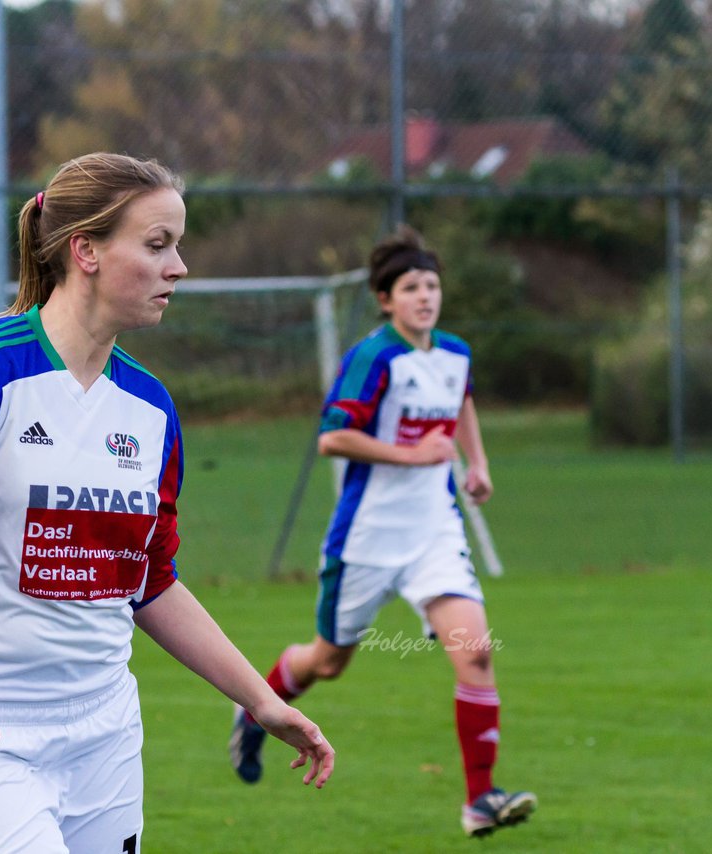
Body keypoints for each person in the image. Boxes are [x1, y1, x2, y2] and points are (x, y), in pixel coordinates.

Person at [0, 152, 335, 854]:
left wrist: (258, 700)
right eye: (158, 244)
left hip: (104, 734)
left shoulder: (150, 408)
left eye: (179, 246)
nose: (180, 267)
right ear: (87, 252)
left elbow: (149, 581)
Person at [227, 224, 536, 838]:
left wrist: (476, 463)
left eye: (432, 286)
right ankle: (254, 706)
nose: (425, 296)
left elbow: (462, 402)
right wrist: (414, 455)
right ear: (386, 299)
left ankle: (480, 800)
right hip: (367, 538)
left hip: (434, 534)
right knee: (329, 661)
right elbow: (333, 437)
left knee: (474, 652)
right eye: (411, 287)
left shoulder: (454, 353)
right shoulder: (373, 357)